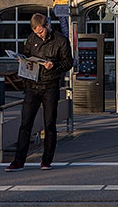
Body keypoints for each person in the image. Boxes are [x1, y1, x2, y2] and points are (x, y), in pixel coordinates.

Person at [6, 13, 74, 171]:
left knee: (49, 124)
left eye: (41, 32)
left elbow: (69, 62)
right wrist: (22, 60)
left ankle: (46, 160)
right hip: (32, 85)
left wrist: (55, 65)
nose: (39, 34)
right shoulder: (31, 39)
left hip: (50, 86)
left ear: (47, 26)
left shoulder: (60, 40)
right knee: (25, 124)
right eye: (36, 32)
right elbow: (28, 56)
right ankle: (18, 161)